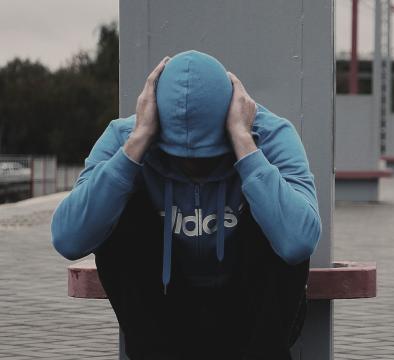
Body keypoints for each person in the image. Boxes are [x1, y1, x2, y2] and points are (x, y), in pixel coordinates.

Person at [51, 50, 321, 359]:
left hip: (251, 314)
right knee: (116, 212)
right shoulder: (125, 137)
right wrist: (137, 145)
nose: (192, 169)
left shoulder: (270, 134)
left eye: (208, 157)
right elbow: (68, 239)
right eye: (177, 156)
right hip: (165, 315)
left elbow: (300, 243)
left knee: (281, 211)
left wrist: (244, 145)